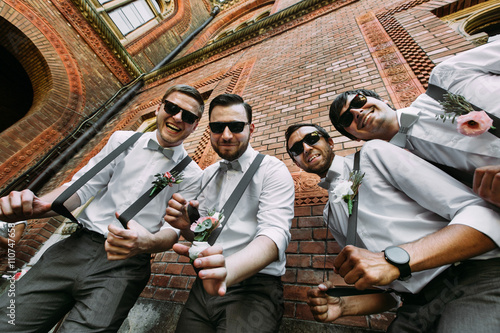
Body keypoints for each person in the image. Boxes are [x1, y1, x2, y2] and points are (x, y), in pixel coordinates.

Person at [0, 84, 204, 332]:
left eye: (189, 116)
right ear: (160, 108)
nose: (178, 117)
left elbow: (173, 230)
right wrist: (44, 205)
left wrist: (147, 243)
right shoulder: (122, 139)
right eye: (172, 108)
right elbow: (83, 185)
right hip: (75, 248)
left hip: (125, 268)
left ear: (195, 125)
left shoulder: (193, 174)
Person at [285, 123, 500, 332]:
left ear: (330, 142)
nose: (305, 148)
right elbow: (390, 293)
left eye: (312, 139)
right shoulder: (329, 214)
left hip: (469, 278)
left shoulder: (374, 154)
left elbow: (482, 214)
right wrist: (344, 306)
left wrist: (396, 260)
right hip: (414, 307)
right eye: (296, 149)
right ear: (297, 163)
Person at [165, 94, 295, 332]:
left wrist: (228, 271)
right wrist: (186, 226)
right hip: (203, 287)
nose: (226, 135)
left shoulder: (272, 169)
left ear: (251, 129)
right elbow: (200, 236)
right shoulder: (208, 174)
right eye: (217, 127)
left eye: (235, 126)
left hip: (255, 290)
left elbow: (275, 235)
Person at [329, 40, 500, 207]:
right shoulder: (412, 173)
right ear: (354, 137)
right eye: (346, 119)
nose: (356, 112)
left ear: (383, 100)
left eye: (358, 101)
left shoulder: (447, 76)